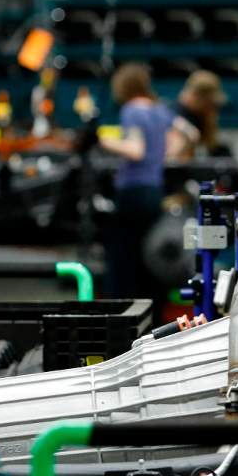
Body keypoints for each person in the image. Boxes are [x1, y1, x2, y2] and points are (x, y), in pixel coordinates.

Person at [99, 63, 175, 309]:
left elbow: (135, 149)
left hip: (133, 191)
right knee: (149, 257)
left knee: (124, 258)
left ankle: (122, 312)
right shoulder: (159, 110)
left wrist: (103, 140)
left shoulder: (132, 110)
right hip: (154, 190)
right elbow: (183, 137)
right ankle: (152, 312)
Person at [167, 69, 227, 160]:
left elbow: (210, 143)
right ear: (196, 96)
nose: (211, 108)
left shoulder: (198, 116)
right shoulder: (173, 115)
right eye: (208, 102)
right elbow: (172, 159)